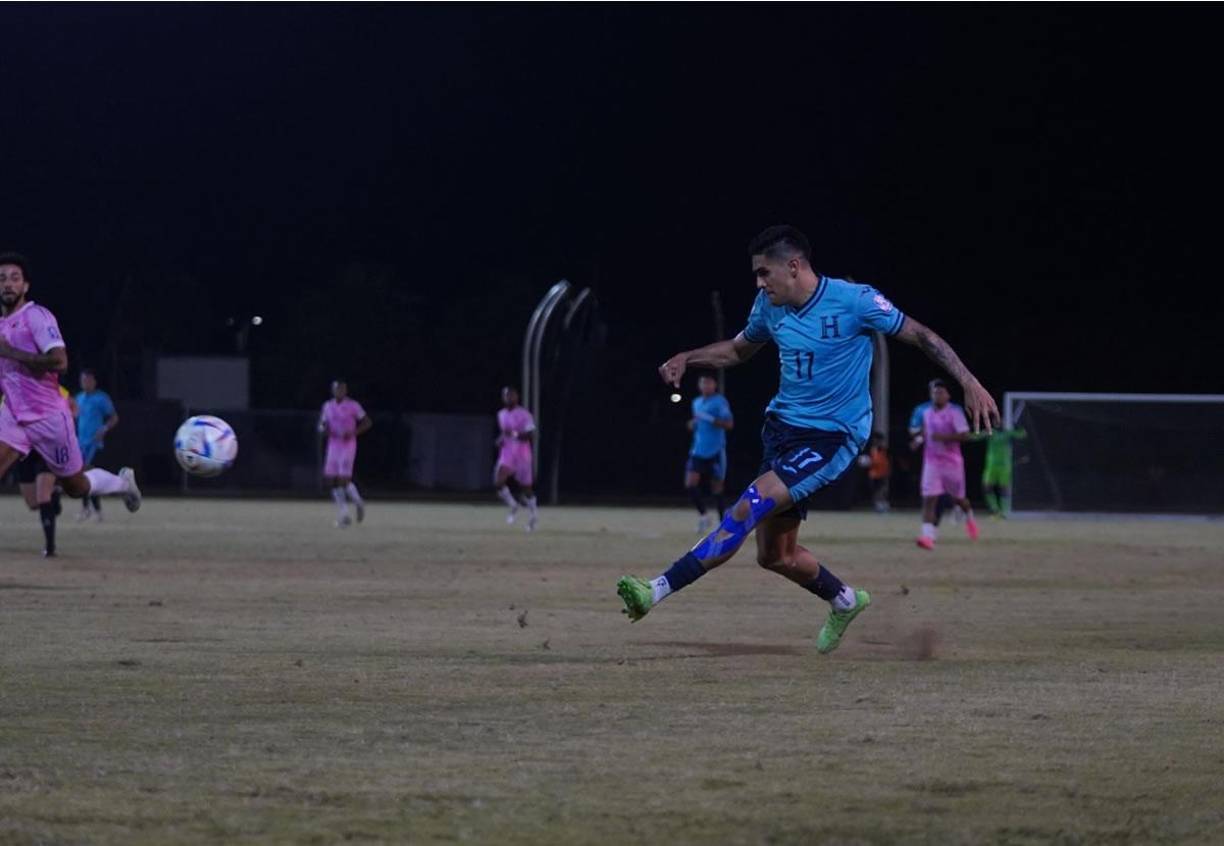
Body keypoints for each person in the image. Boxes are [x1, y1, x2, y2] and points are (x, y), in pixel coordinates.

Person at [617, 226, 998, 653]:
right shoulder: (769, 306)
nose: (759, 284)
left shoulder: (855, 301)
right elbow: (739, 350)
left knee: (748, 505)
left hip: (832, 436)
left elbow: (922, 335)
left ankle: (655, 589)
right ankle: (846, 600)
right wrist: (688, 357)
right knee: (775, 556)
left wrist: (969, 382)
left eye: (765, 273)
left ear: (793, 266)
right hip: (781, 432)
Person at [0, 253, 142, 529]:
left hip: (49, 418)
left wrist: (11, 352)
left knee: (76, 486)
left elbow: (59, 361)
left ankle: (122, 483)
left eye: (14, 278)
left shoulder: (36, 317)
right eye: (2, 279)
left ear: (25, 286)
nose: (7, 284)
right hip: (14, 416)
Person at [4, 383, 74, 556]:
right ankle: (54, 494)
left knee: (43, 497)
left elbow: (73, 407)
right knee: (33, 503)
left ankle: (50, 548)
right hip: (24, 450)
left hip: (45, 446)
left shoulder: (50, 388)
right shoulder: (10, 389)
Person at [915, 379, 979, 549]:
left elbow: (965, 436)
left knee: (958, 499)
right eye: (935, 392)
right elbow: (926, 431)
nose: (937, 395)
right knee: (929, 498)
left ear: (948, 395)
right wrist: (919, 440)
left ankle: (970, 517)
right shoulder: (926, 412)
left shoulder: (955, 412)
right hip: (931, 462)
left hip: (952, 463)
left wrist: (944, 438)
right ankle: (928, 537)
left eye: (941, 392)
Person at [317, 379, 371, 527]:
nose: (339, 391)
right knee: (331, 480)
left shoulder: (353, 405)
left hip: (348, 445)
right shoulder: (327, 406)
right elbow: (322, 424)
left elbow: (367, 422)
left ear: (345, 391)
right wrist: (323, 430)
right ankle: (345, 514)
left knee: (343, 479)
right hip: (333, 446)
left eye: (342, 389)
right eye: (336, 389)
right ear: (333, 390)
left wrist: (353, 432)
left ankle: (357, 503)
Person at [685, 373, 733, 533]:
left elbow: (729, 424)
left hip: (716, 450)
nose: (705, 386)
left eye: (708, 383)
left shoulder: (720, 402)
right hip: (698, 450)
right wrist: (693, 424)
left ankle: (723, 522)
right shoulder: (696, 402)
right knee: (690, 484)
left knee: (717, 487)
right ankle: (704, 516)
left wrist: (711, 419)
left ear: (714, 385)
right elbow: (697, 424)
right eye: (703, 383)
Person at [74, 368, 119, 521]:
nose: (85, 383)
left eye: (87, 380)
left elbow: (114, 417)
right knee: (81, 477)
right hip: (80, 445)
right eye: (82, 380)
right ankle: (87, 509)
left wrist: (104, 429)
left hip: (94, 444)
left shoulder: (101, 398)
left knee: (90, 476)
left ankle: (97, 511)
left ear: (94, 381)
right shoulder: (78, 398)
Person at [494, 386, 538, 531]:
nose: (509, 398)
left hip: (522, 455)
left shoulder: (524, 414)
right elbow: (505, 433)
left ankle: (533, 516)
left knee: (526, 489)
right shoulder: (501, 414)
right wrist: (501, 439)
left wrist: (513, 434)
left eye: (512, 395)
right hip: (507, 453)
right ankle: (513, 506)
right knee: (499, 482)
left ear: (517, 397)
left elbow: (530, 434)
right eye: (506, 395)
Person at [981, 427, 1026, 517]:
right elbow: (973, 436)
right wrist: (981, 432)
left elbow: (1022, 434)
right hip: (991, 466)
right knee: (987, 487)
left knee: (1004, 489)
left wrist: (1019, 430)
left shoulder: (1008, 433)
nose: (998, 421)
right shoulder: (990, 433)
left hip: (1004, 466)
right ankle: (995, 510)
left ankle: (1004, 512)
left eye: (1000, 419)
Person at [858, 431, 890, 513]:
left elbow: (884, 461)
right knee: (875, 490)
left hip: (882, 473)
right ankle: (877, 505)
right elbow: (869, 460)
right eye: (876, 440)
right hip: (873, 474)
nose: (877, 442)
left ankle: (882, 504)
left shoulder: (883, 449)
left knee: (881, 490)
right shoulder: (871, 449)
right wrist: (868, 462)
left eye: (879, 440)